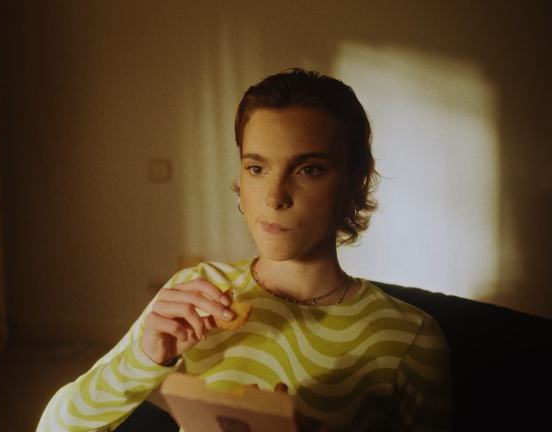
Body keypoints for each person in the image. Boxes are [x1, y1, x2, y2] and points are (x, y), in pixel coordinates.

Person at [37, 68, 453, 432]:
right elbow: (57, 426)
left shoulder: (409, 339)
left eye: (308, 169)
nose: (274, 197)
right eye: (257, 168)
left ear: (353, 181)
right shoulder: (198, 292)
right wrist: (145, 359)